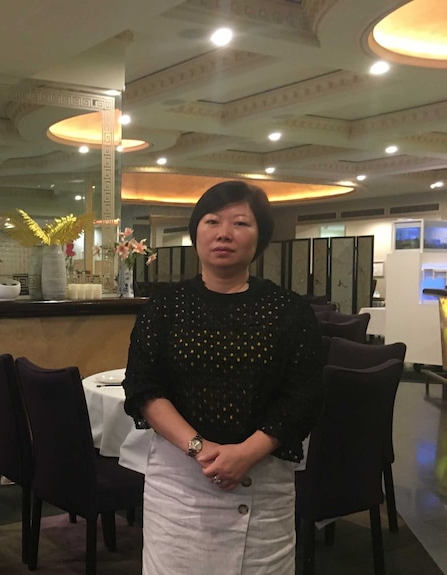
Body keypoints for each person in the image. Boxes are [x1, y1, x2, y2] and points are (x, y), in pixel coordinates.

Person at [122, 180, 322, 574]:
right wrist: (200, 448)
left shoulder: (289, 310)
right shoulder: (165, 306)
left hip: (262, 482)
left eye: (240, 223)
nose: (224, 233)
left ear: (260, 237)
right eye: (212, 221)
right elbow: (143, 386)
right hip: (180, 484)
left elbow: (302, 397)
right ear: (197, 231)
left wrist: (244, 454)